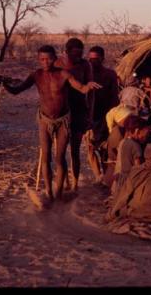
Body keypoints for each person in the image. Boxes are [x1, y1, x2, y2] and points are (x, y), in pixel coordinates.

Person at [0, 45, 101, 202]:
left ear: (55, 59)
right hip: (44, 120)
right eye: (42, 59)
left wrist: (88, 86)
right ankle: (49, 192)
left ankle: (58, 194)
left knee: (60, 158)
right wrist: (4, 84)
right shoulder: (36, 75)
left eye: (49, 59)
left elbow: (81, 88)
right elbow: (17, 90)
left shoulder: (64, 74)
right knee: (45, 157)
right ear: (38, 60)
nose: (46, 62)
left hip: (63, 120)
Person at [54, 38, 93, 191]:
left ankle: (75, 183)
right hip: (61, 111)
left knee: (75, 150)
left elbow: (90, 91)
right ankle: (64, 182)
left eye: (80, 54)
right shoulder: (57, 64)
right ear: (66, 52)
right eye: (74, 55)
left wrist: (89, 113)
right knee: (60, 151)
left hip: (79, 110)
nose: (78, 58)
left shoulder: (85, 65)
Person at [84, 46, 119, 183]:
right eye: (90, 59)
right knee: (90, 148)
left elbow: (115, 98)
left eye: (96, 59)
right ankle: (98, 176)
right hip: (89, 119)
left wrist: (113, 119)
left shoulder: (110, 74)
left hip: (105, 118)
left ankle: (106, 176)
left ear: (102, 59)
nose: (92, 62)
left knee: (105, 149)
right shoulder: (85, 75)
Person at [111, 116, 151, 197]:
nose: (146, 137)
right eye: (145, 134)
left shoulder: (123, 142)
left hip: (120, 181)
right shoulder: (136, 146)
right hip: (130, 182)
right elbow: (138, 168)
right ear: (137, 131)